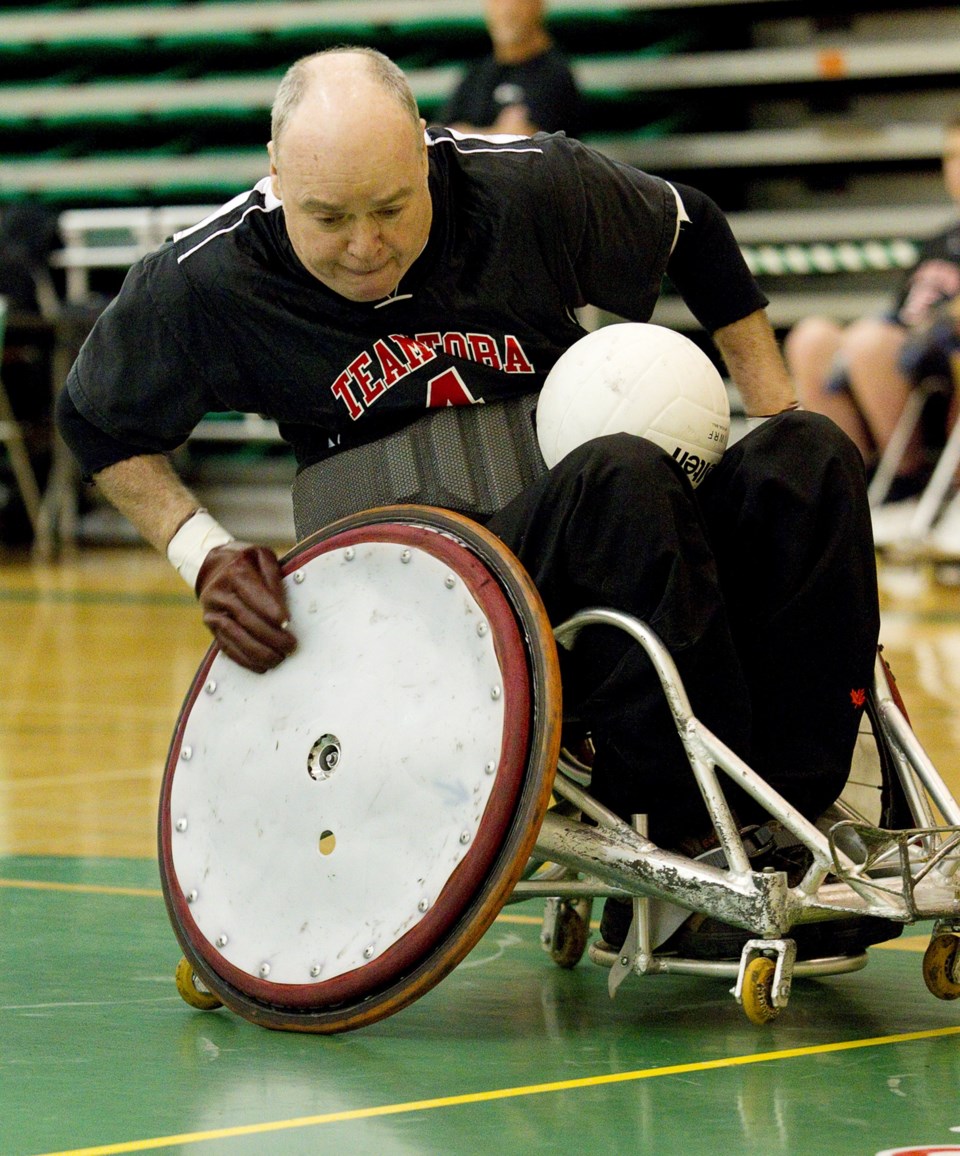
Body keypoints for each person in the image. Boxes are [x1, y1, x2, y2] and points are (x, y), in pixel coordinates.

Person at [56, 47, 884, 955]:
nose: (365, 245)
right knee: (620, 477)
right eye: (328, 218)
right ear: (276, 173)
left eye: (391, 208)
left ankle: (797, 815)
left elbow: (697, 231)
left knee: (808, 457)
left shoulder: (525, 190)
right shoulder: (210, 278)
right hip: (413, 605)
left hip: (584, 534)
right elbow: (98, 422)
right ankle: (683, 841)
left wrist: (771, 418)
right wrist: (203, 552)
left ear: (425, 150)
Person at [783, 119, 960, 510]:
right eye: (950, 156)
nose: (956, 168)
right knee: (812, 336)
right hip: (903, 354)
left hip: (946, 366)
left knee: (868, 341)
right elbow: (905, 312)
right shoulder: (939, 240)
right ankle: (849, 482)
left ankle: (907, 478)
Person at [440, 0, 585, 138]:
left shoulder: (555, 74)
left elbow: (526, 147)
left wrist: (463, 135)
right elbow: (439, 134)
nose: (507, 9)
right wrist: (498, 134)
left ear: (538, 4)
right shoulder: (477, 73)